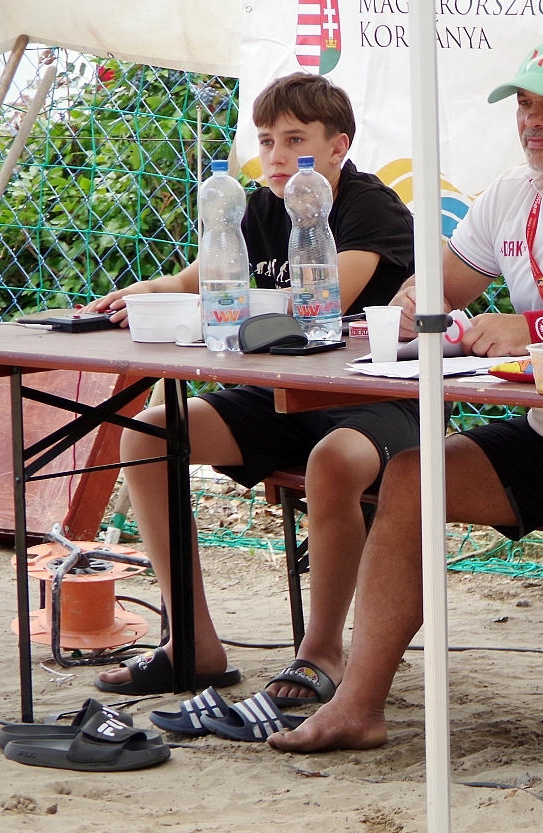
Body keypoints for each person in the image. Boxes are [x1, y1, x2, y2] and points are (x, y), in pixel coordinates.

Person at [270, 35, 543, 752]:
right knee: (412, 478)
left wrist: (534, 325)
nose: (533, 120)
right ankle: (358, 703)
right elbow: (442, 284)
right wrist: (421, 303)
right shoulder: (514, 192)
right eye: (524, 104)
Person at [88, 73, 419, 703]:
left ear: (338, 146)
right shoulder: (258, 205)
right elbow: (194, 281)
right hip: (284, 394)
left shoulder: (368, 206)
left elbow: (323, 300)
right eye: (266, 141)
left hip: (374, 395)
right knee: (151, 436)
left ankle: (321, 653)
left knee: (332, 461)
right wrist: (134, 296)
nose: (275, 156)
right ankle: (192, 645)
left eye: (294, 140)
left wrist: (218, 306)